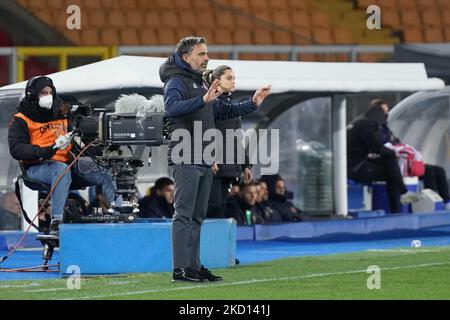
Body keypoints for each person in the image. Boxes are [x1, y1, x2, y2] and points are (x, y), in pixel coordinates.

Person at [160, 36, 271, 283]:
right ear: (186, 57)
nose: (207, 58)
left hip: (204, 157)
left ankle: (193, 266)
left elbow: (220, 111)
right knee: (184, 214)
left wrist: (252, 104)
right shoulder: (175, 81)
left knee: (198, 215)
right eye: (202, 54)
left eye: (207, 53)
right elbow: (171, 108)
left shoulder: (198, 83)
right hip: (186, 154)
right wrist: (203, 100)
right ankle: (180, 269)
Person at [8, 76, 117, 235]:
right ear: (32, 95)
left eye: (50, 92)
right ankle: (57, 222)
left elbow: (79, 135)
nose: (48, 96)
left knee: (103, 168)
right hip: (37, 167)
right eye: (44, 93)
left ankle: (120, 211)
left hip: (67, 162)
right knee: (61, 170)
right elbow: (16, 149)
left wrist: (96, 147)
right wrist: (44, 150)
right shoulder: (21, 119)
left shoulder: (60, 111)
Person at [347, 99, 418, 213]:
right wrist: (395, 152)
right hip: (355, 168)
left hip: (358, 162)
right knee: (391, 173)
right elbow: (376, 147)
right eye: (384, 113)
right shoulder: (365, 125)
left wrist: (393, 152)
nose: (386, 116)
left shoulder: (362, 122)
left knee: (390, 162)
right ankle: (398, 205)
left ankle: (403, 196)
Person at [377, 101, 450, 208]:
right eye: (382, 111)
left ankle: (446, 201)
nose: (385, 114)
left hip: (403, 164)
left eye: (386, 111)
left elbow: (398, 143)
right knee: (428, 172)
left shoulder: (387, 130)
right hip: (392, 167)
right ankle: (429, 202)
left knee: (438, 170)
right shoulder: (373, 130)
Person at [204, 65, 253, 219]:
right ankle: (199, 241)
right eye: (229, 78)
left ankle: (214, 242)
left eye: (234, 78)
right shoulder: (209, 103)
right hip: (213, 165)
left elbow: (237, 138)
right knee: (212, 205)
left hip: (229, 165)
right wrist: (209, 158)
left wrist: (245, 165)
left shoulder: (231, 105)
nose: (233, 81)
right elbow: (203, 132)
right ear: (217, 82)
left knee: (220, 207)